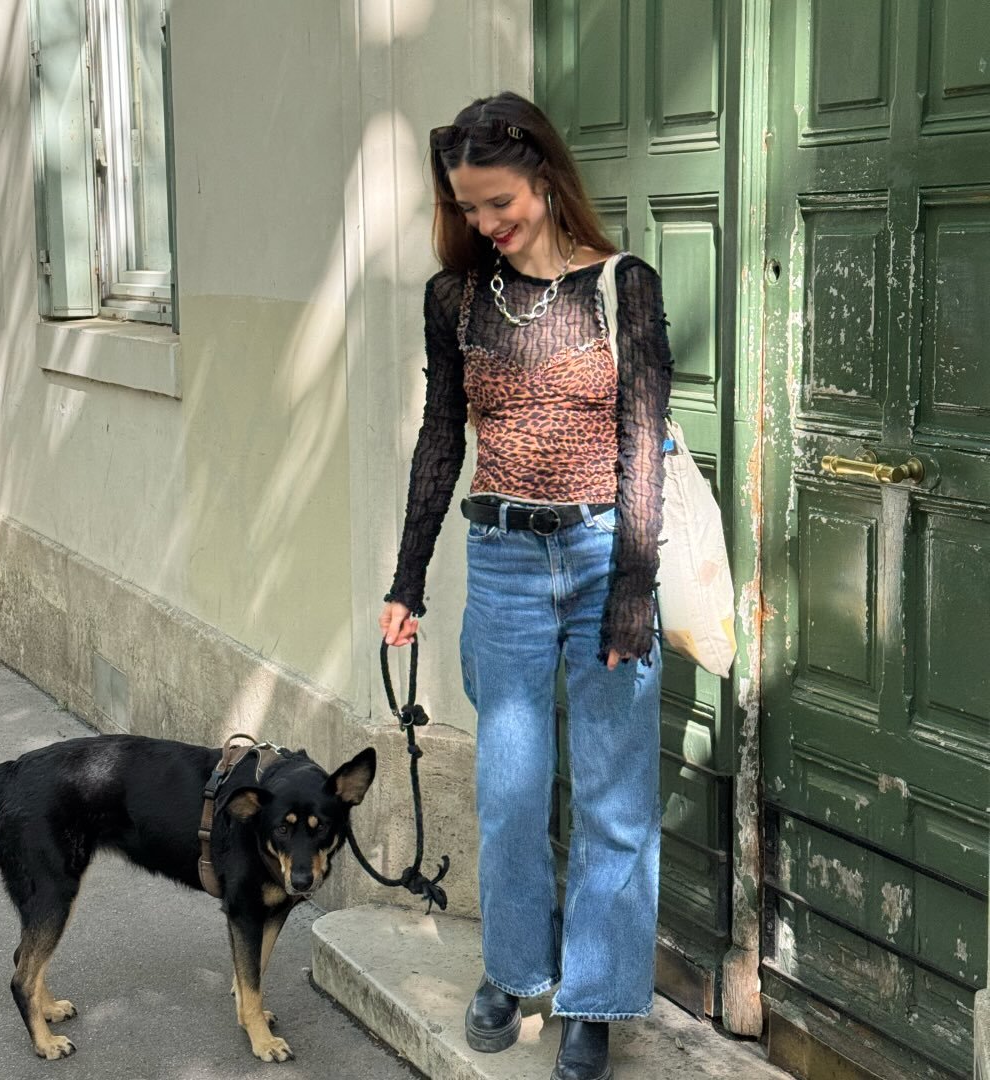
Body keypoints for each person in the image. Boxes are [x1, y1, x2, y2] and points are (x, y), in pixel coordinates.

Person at [379, 91, 672, 1080]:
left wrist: (633, 588)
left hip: (602, 558)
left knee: (613, 798)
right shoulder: (455, 301)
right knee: (509, 795)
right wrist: (408, 580)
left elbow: (642, 442)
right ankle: (514, 969)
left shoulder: (622, 287)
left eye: (497, 202)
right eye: (467, 208)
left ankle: (593, 998)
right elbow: (440, 437)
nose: (484, 223)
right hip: (502, 560)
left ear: (544, 178)